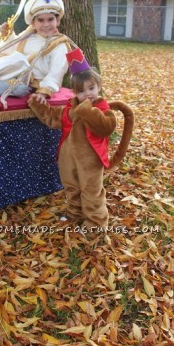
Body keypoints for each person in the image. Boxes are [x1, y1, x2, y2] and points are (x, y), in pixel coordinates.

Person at [28, 48, 134, 231]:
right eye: (81, 91)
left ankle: (96, 222)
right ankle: (75, 212)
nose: (87, 94)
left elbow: (105, 127)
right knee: (71, 186)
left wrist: (88, 112)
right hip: (67, 158)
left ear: (98, 86)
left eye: (91, 88)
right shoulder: (70, 109)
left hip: (90, 161)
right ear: (74, 92)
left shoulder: (103, 110)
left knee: (91, 190)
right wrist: (39, 107)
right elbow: (53, 119)